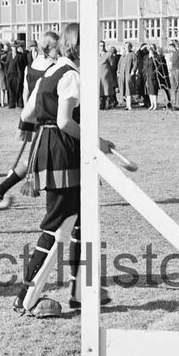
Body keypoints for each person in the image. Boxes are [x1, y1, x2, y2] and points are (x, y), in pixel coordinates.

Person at [14, 22, 111, 317]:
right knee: (56, 225)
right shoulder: (69, 75)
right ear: (78, 46)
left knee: (81, 221)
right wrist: (97, 140)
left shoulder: (50, 72)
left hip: (53, 149)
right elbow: (64, 121)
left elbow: (27, 113)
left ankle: (81, 292)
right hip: (63, 153)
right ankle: (25, 298)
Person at [0, 29, 59, 203]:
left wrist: (29, 117)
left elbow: (26, 94)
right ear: (50, 47)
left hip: (34, 115)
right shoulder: (54, 68)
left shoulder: (31, 66)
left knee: (35, 158)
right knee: (37, 159)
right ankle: (2, 187)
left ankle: (2, 187)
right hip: (50, 118)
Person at [5, 41, 28, 109]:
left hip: (18, 75)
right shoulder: (8, 55)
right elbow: (6, 65)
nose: (14, 48)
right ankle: (11, 104)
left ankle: (20, 103)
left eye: (15, 47)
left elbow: (23, 65)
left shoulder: (20, 55)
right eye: (13, 47)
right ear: (11, 48)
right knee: (10, 89)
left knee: (19, 89)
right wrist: (7, 73)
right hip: (10, 75)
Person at [116, 42, 138, 111]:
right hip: (122, 74)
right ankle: (126, 105)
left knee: (128, 89)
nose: (127, 47)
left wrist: (133, 71)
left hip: (128, 74)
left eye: (128, 46)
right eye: (125, 46)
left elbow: (135, 64)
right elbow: (119, 64)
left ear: (130, 47)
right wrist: (118, 72)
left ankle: (129, 106)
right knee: (124, 89)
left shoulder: (133, 54)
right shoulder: (123, 55)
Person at [166, 40, 179, 110]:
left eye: (170, 46)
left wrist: (175, 41)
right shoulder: (173, 53)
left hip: (178, 70)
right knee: (175, 88)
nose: (169, 48)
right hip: (173, 70)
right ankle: (176, 103)